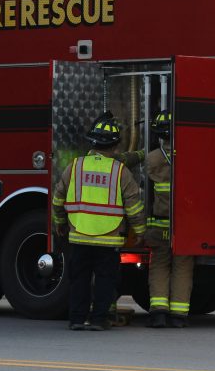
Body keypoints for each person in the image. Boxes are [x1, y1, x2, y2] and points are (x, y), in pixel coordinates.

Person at [52, 112, 146, 331]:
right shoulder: (120, 171)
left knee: (79, 279)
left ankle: (77, 319)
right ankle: (98, 320)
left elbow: (58, 198)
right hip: (108, 239)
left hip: (79, 236)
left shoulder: (75, 166)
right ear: (115, 145)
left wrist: (60, 222)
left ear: (92, 142)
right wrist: (140, 231)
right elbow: (134, 205)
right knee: (105, 281)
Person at [144, 110, 194, 328]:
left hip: (159, 223)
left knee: (159, 266)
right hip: (184, 225)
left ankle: (158, 313)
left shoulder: (153, 158)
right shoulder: (190, 155)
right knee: (182, 267)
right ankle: (179, 316)